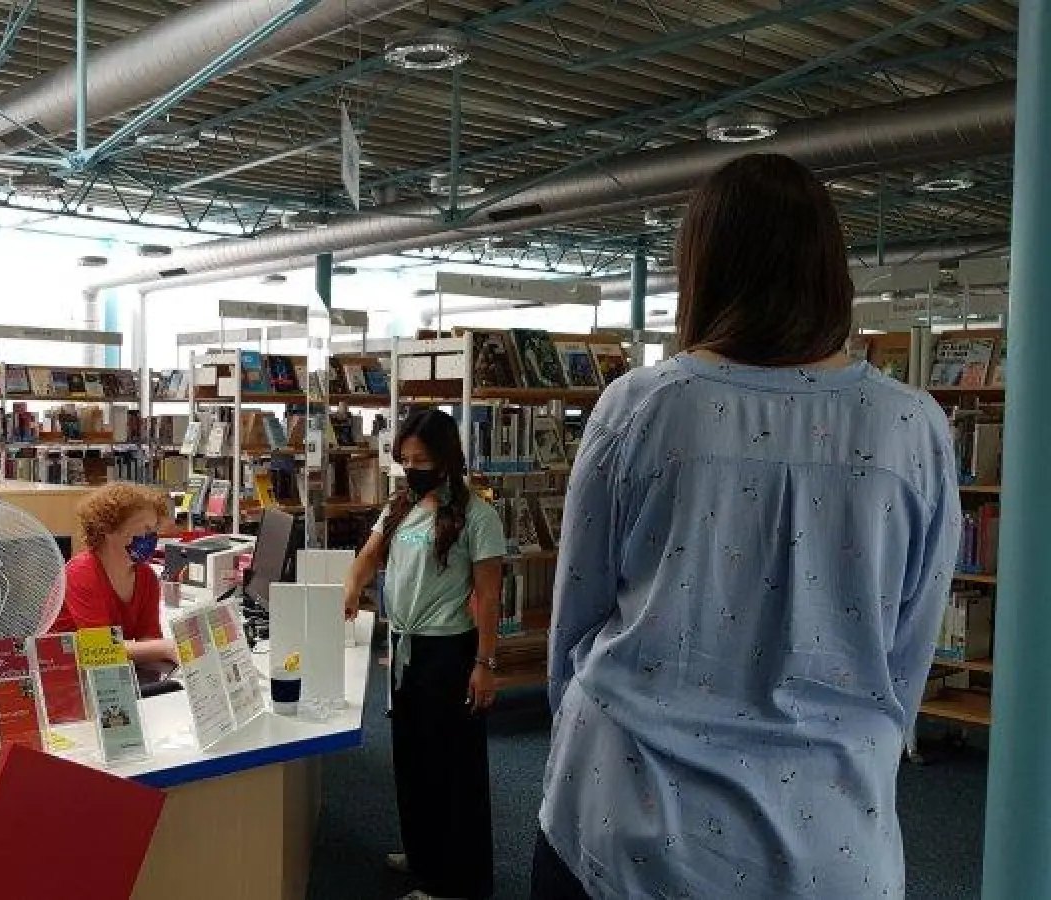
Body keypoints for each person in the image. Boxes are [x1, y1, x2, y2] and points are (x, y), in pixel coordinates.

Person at [532, 153, 961, 899]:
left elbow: (575, 627)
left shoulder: (639, 408)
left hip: (625, 820)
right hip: (833, 840)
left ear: (700, 269)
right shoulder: (913, 427)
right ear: (833, 272)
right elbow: (905, 659)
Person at [343, 408, 505, 900]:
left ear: (446, 459)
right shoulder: (401, 507)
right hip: (406, 648)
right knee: (411, 757)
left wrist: (485, 663)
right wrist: (353, 586)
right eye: (405, 459)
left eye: (422, 459)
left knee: (451, 769)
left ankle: (454, 882)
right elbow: (370, 555)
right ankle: (421, 853)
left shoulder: (478, 514)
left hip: (450, 653)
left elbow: (488, 596)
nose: (412, 468)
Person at [51, 482, 177, 667]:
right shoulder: (80, 573)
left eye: (155, 529)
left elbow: (148, 639)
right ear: (108, 529)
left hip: (108, 670)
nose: (152, 537)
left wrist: (165, 649)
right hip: (63, 671)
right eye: (146, 528)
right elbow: (100, 647)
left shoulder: (146, 576)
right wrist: (166, 648)